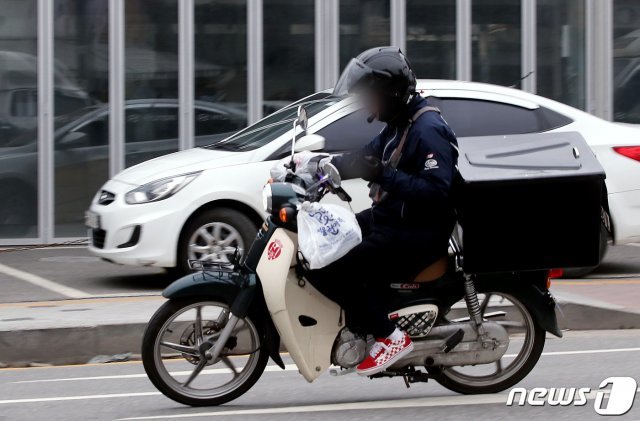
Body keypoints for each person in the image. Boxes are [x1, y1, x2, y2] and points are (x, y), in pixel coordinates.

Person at [303, 46, 459, 376]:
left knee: (334, 267)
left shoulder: (426, 129)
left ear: (391, 93)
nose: (367, 104)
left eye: (371, 95)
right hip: (391, 219)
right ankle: (362, 327)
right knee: (322, 249)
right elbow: (364, 159)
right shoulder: (400, 123)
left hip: (417, 234)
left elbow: (437, 191)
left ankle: (389, 337)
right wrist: (316, 168)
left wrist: (383, 175)